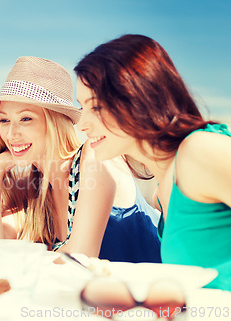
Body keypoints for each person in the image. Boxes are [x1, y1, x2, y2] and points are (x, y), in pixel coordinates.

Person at [75, 34, 231, 290]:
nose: (81, 124)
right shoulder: (163, 187)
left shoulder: (199, 152)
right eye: (82, 108)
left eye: (96, 108)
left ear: (138, 99)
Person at [0, 56, 160, 262]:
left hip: (163, 289)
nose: (10, 133)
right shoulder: (38, 191)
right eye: (4, 120)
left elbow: (79, 257)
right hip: (108, 293)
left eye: (26, 119)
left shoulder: (94, 156)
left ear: (55, 122)